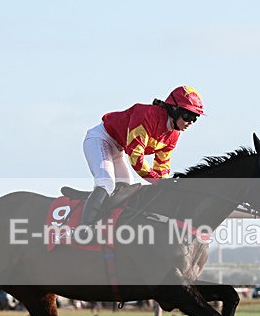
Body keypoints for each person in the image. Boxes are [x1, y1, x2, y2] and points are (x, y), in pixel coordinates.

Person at [79, 86, 205, 225]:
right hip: (101, 139)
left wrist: (164, 184)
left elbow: (162, 165)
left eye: (195, 118)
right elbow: (136, 157)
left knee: (127, 188)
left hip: (118, 149)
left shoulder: (174, 134)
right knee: (106, 183)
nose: (190, 122)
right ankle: (83, 228)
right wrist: (157, 182)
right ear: (174, 109)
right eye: (188, 116)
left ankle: (104, 223)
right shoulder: (147, 115)